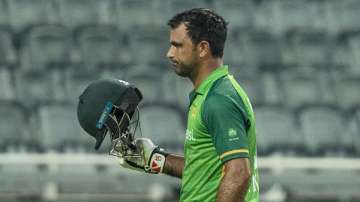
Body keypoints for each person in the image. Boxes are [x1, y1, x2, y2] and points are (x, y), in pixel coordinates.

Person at [78, 8, 259, 202]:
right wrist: (157, 159)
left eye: (177, 45)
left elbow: (239, 173)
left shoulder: (219, 99)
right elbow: (205, 172)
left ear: (203, 49)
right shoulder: (210, 94)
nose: (169, 53)